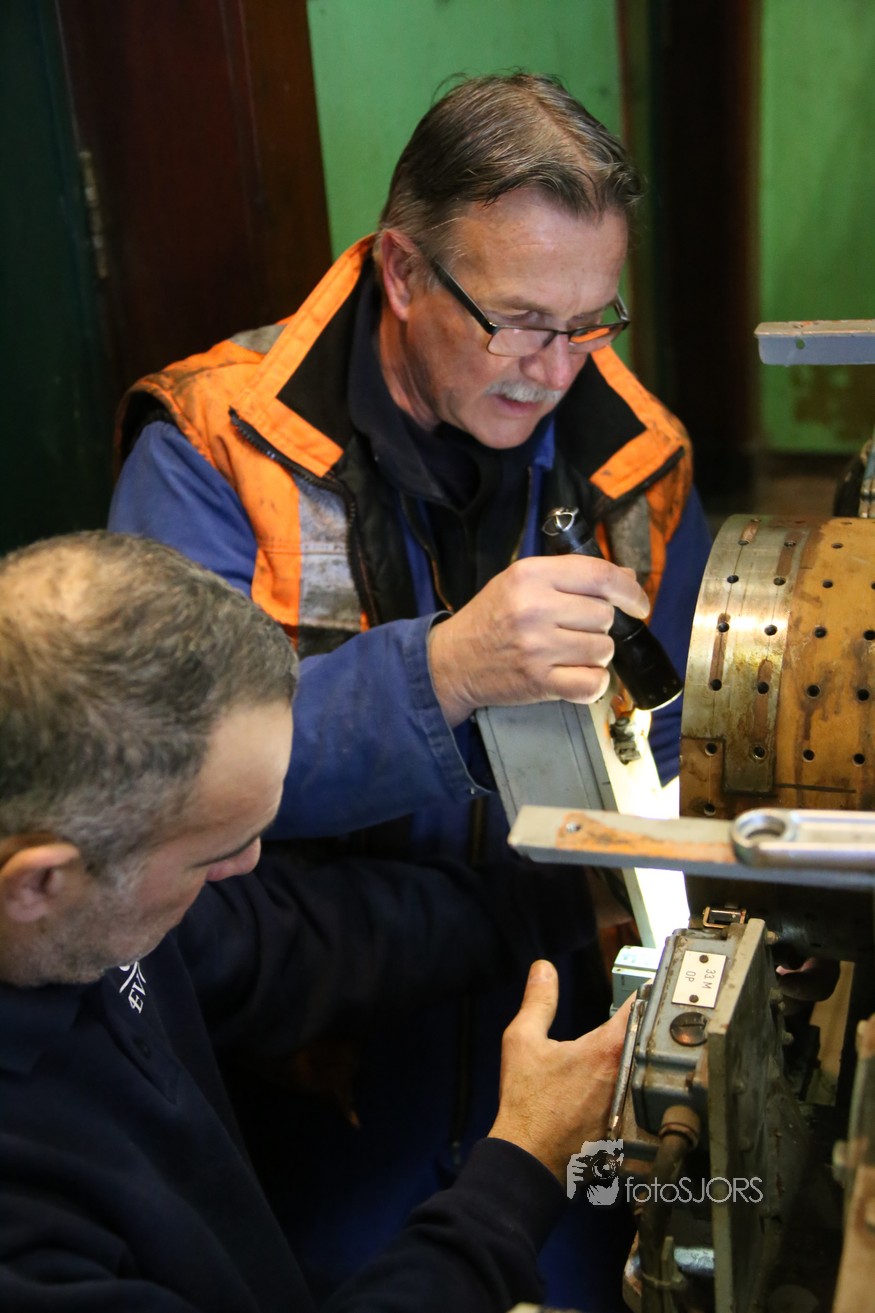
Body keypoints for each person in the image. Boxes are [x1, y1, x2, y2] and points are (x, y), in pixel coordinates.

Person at [110, 73, 712, 1304]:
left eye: (591, 321)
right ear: (399, 270)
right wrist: (439, 673)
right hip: (314, 1073)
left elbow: (692, 753)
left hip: (562, 1039)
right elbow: (152, 781)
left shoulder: (635, 453)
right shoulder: (211, 445)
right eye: (519, 321)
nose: (557, 369)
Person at [0, 530, 630, 1313]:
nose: (248, 862)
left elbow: (293, 942)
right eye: (211, 853)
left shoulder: (85, 911)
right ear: (40, 881)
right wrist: (522, 1167)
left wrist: (570, 897)